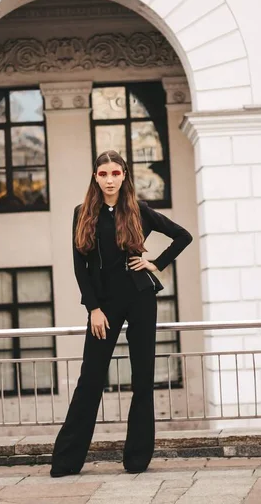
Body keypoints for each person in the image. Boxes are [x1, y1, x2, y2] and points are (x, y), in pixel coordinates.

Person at [50, 150, 192, 477]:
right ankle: (67, 461)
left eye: (116, 173)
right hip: (105, 305)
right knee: (91, 379)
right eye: (104, 174)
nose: (110, 179)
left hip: (140, 296)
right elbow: (80, 266)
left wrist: (156, 263)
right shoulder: (82, 213)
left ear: (124, 175)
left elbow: (182, 236)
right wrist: (93, 308)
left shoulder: (137, 210)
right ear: (95, 177)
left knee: (142, 378)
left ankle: (137, 459)